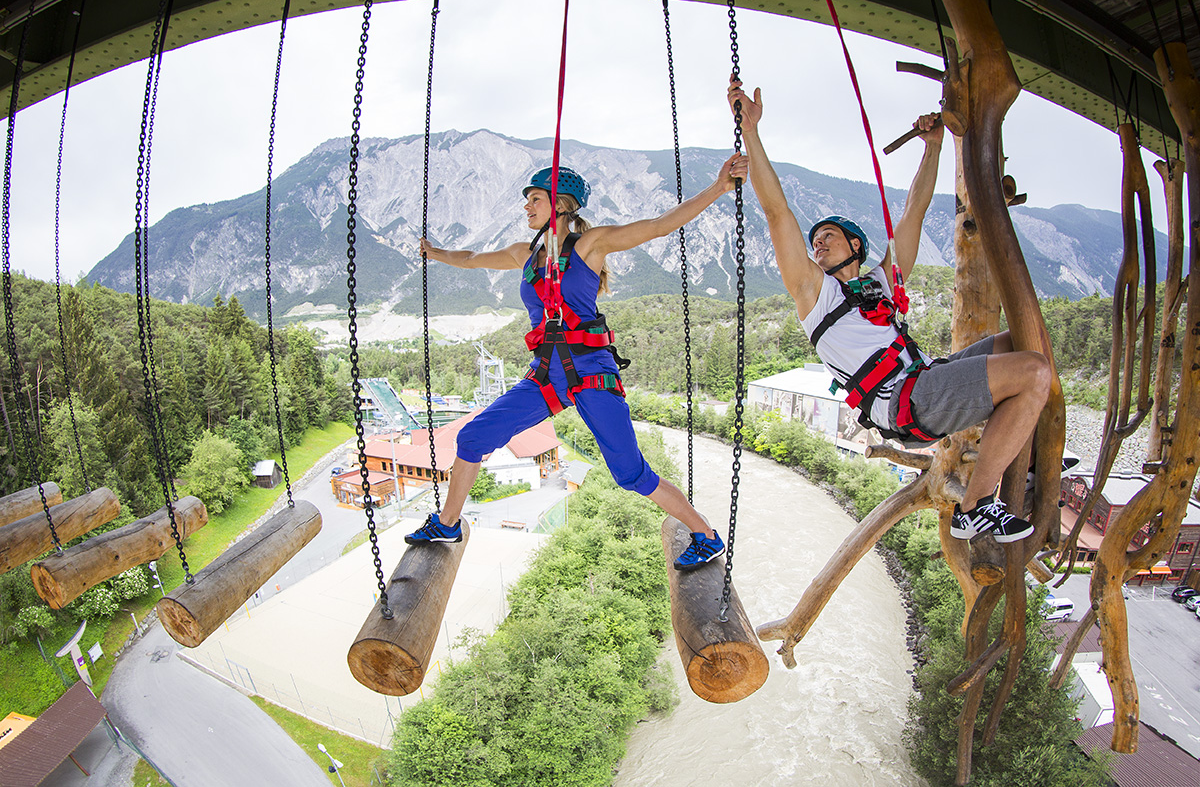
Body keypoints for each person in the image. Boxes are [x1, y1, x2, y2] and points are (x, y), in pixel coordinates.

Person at [728, 77, 1050, 543]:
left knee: (1026, 341)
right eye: (815, 241)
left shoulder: (880, 281)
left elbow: (912, 215)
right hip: (905, 401)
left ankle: (1032, 455)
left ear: (855, 245)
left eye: (829, 237)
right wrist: (751, 131)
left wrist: (933, 149)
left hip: (922, 379)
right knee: (1034, 371)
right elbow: (778, 213)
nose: (817, 245)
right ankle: (976, 506)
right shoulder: (816, 298)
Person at [403, 154, 749, 570]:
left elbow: (660, 226)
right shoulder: (524, 255)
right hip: (546, 376)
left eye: (534, 198)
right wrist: (433, 253)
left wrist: (718, 188)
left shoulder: (590, 245)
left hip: (591, 373)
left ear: (561, 205)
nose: (526, 207)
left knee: (630, 473)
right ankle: (448, 523)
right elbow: (473, 257)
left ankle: (706, 534)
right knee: (473, 438)